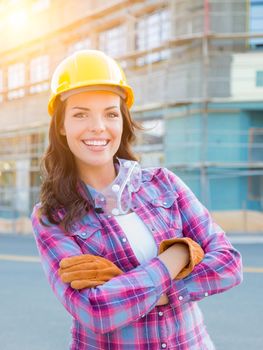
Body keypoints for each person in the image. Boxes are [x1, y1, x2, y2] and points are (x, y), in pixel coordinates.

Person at [31, 49, 243, 350]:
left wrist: (154, 291)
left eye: (110, 113)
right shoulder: (52, 216)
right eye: (80, 114)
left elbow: (228, 264)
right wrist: (178, 255)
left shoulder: (164, 184)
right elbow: (97, 312)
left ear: (122, 121)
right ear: (62, 126)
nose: (98, 127)